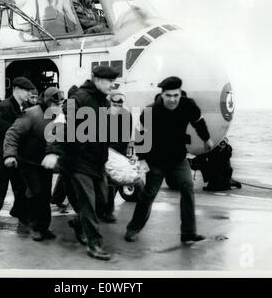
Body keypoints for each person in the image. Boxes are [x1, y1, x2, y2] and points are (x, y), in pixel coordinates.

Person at [124, 76, 214, 244]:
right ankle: (132, 229)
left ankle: (188, 234)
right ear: (162, 95)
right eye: (168, 96)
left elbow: (198, 122)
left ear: (181, 94)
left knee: (188, 187)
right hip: (155, 160)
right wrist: (142, 160)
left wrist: (206, 139)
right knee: (148, 195)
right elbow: (139, 135)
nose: (172, 99)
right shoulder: (151, 111)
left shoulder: (188, 105)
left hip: (178, 158)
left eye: (176, 95)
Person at [42, 65, 119, 260]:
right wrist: (53, 152)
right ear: (96, 79)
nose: (113, 85)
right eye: (109, 81)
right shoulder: (78, 100)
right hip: (78, 162)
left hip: (97, 162)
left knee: (102, 202)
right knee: (89, 205)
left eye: (113, 81)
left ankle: (78, 223)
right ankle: (95, 245)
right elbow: (61, 125)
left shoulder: (104, 102)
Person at [3, 87, 65, 241]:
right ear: (47, 101)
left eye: (61, 103)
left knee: (45, 195)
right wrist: (10, 154)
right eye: (55, 103)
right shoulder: (31, 114)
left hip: (45, 162)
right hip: (28, 162)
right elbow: (12, 134)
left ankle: (44, 226)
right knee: (35, 193)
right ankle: (35, 227)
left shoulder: (59, 117)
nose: (58, 106)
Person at [0, 77, 35, 232]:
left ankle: (22, 215)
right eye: (27, 90)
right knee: (0, 188)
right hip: (0, 152)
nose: (29, 93)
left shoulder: (26, 106)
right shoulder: (4, 107)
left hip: (17, 152)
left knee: (21, 187)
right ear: (16, 89)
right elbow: (8, 131)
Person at [101, 90, 133, 223]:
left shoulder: (125, 114)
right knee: (106, 182)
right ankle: (105, 210)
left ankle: (107, 210)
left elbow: (125, 136)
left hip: (115, 152)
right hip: (105, 150)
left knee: (111, 182)